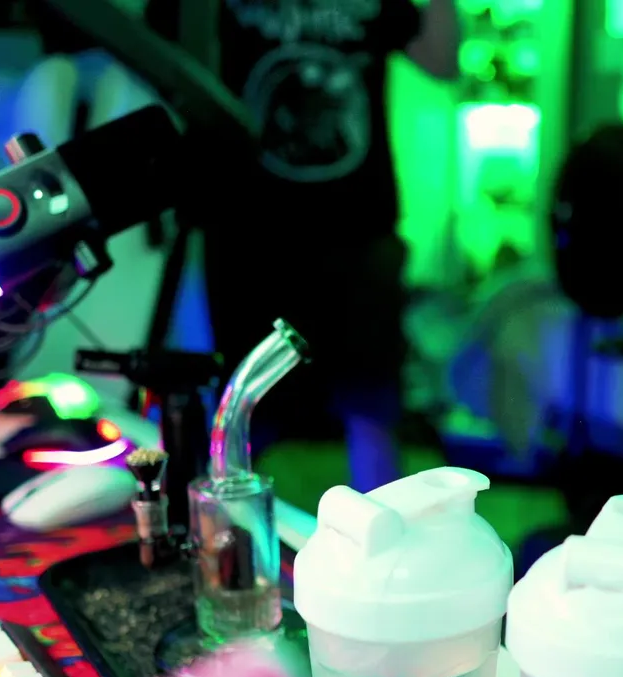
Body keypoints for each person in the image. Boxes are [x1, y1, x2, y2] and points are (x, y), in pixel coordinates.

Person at [145, 0, 460, 491]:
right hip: (248, 229)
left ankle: (377, 537)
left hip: (357, 230)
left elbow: (442, 60)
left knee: (370, 409)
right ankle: (239, 537)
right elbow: (164, 64)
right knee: (246, 412)